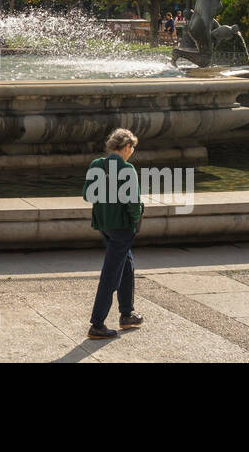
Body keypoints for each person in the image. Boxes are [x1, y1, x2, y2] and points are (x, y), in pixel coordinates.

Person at [82, 128, 144, 340]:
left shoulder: (96, 165)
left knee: (126, 264)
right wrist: (135, 220)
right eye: (132, 148)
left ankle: (127, 314)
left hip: (104, 225)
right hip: (122, 228)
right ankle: (97, 324)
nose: (132, 152)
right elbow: (133, 204)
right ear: (126, 146)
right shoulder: (127, 170)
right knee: (111, 274)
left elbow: (87, 195)